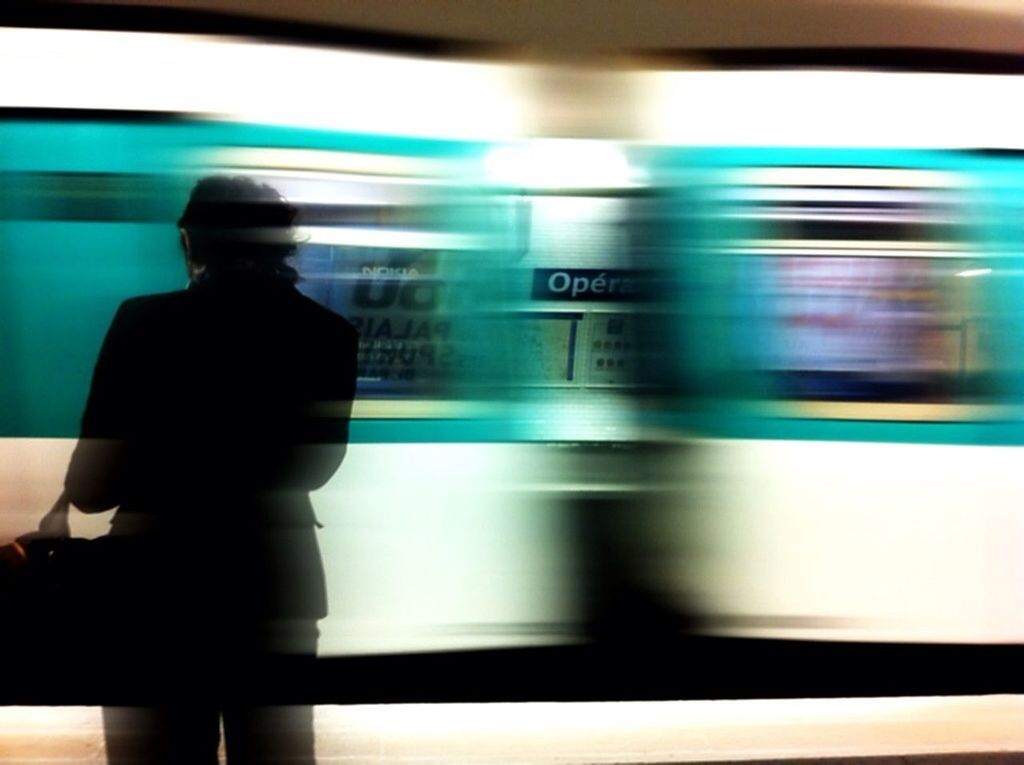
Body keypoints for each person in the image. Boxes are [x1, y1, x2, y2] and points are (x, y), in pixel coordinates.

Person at [63, 176, 358, 764]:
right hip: (275, 583)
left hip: (156, 587)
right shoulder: (328, 333)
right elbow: (316, 467)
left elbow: (90, 488)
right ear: (282, 244)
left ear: (191, 240)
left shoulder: (144, 322)